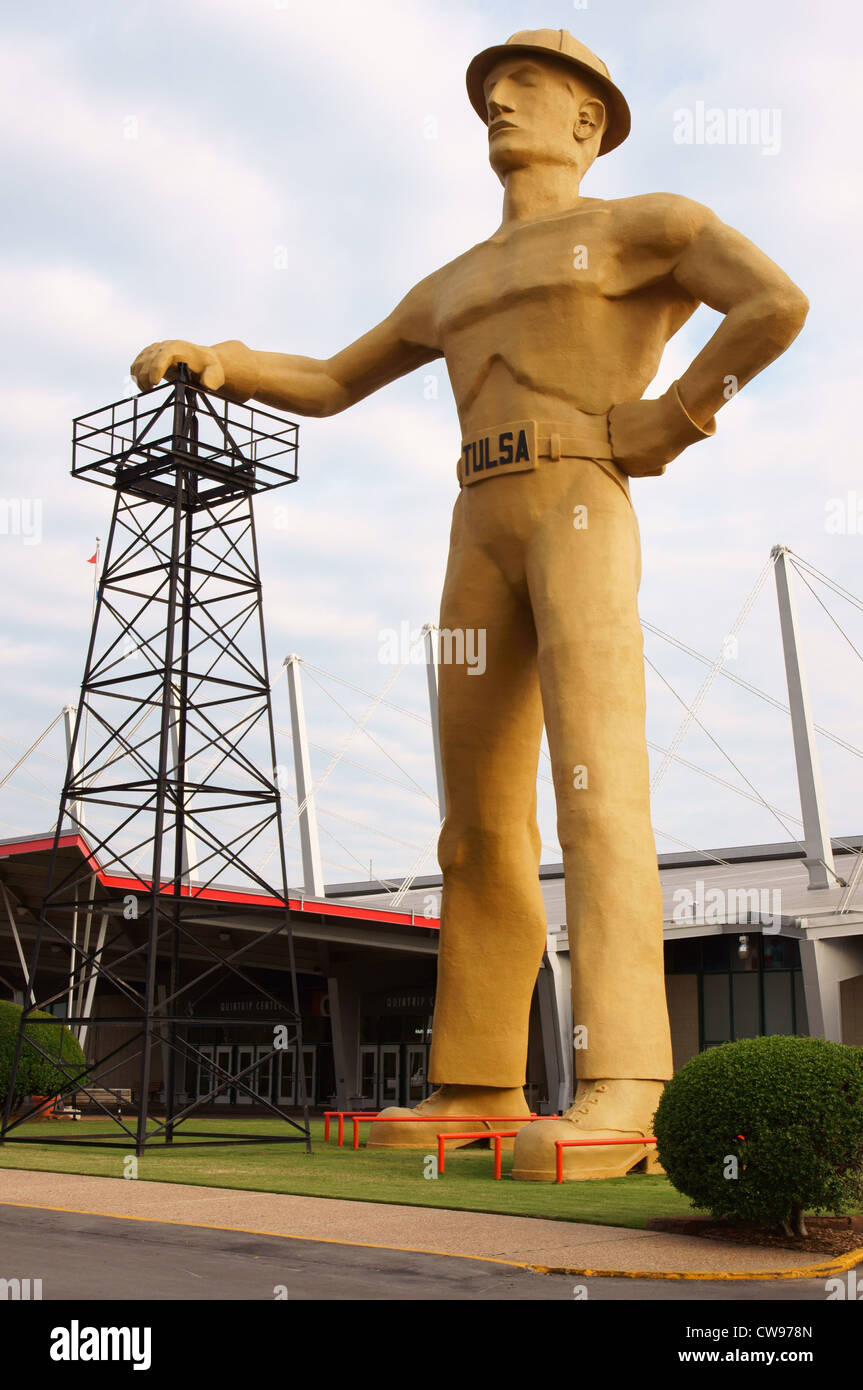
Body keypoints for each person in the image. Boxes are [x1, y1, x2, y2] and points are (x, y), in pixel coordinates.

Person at [131, 29, 808, 1179]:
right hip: (475, 518)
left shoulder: (645, 223)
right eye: (488, 91)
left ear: (586, 119)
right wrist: (226, 359)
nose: (496, 100)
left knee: (597, 790)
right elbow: (339, 380)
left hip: (579, 502)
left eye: (523, 87)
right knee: (476, 823)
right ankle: (477, 1080)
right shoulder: (452, 280)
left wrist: (679, 413)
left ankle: (623, 1082)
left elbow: (773, 305)